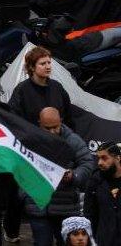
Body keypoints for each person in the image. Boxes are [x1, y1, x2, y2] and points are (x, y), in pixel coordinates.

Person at [27, 107, 96, 246]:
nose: (52, 131)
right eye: (48, 128)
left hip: (66, 206)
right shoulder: (30, 140)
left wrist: (74, 175)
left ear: (61, 122)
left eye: (55, 127)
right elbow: (20, 167)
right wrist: (24, 195)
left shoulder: (73, 140)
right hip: (38, 206)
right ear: (39, 123)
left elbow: (87, 163)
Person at [8, 46, 73, 126]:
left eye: (49, 63)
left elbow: (68, 115)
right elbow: (14, 118)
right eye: (43, 64)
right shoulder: (22, 90)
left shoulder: (56, 86)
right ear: (32, 67)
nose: (48, 67)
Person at [84, 142, 121, 245]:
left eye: (104, 158)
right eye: (98, 158)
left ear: (118, 158)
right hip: (103, 240)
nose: (99, 162)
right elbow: (89, 214)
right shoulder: (95, 181)